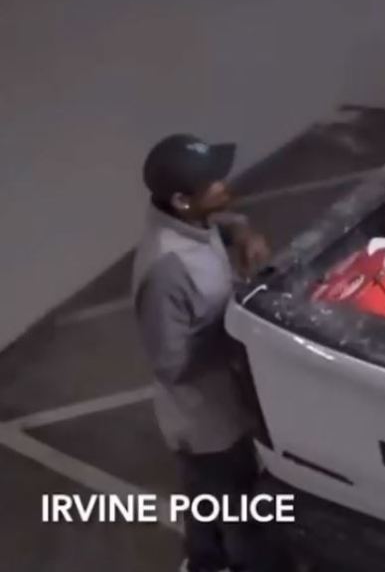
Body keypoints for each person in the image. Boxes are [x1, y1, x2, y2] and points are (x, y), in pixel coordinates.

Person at [131, 134, 279, 572]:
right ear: (181, 200)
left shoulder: (193, 221)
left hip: (226, 402)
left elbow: (226, 221)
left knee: (206, 500)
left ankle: (203, 561)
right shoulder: (165, 271)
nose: (224, 185)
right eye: (213, 182)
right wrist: (242, 334)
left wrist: (246, 233)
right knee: (237, 509)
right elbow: (171, 363)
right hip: (206, 421)